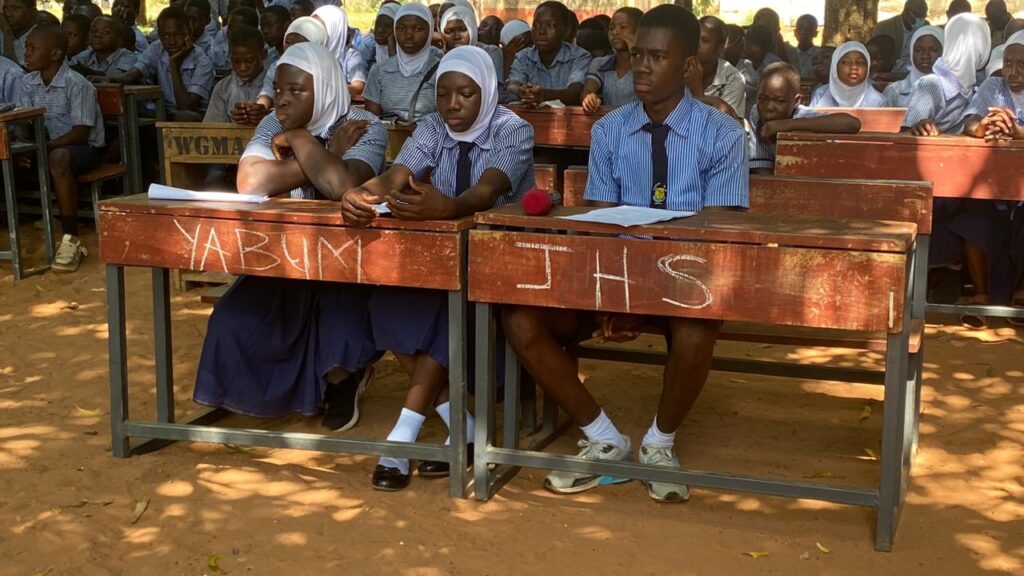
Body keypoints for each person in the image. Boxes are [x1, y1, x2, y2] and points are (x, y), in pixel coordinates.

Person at [503, 4, 747, 502]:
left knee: (698, 326)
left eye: (657, 57)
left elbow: (715, 234)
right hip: (614, 276)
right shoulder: (610, 129)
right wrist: (613, 293)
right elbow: (601, 224)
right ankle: (604, 438)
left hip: (687, 280)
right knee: (520, 317)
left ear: (687, 66)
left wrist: (645, 291)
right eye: (638, 55)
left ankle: (659, 443)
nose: (641, 67)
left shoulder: (721, 133)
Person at [341, 45, 534, 491]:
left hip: (499, 263)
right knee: (383, 302)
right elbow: (395, 176)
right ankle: (462, 425)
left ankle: (402, 436)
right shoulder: (432, 127)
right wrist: (360, 195)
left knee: (442, 312)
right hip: (439, 261)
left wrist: (449, 207)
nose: (452, 104)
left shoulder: (513, 129)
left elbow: (485, 192)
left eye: (466, 94)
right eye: (443, 94)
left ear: (486, 91)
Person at [196, 42, 385, 435]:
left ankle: (344, 378)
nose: (282, 100)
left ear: (326, 88)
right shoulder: (273, 122)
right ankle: (267, 389)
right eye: (280, 89)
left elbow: (342, 185)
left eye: (297, 91)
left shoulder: (364, 124)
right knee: (232, 319)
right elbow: (251, 181)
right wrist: (321, 150)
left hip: (347, 261)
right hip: (282, 256)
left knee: (340, 323)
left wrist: (299, 141)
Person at [903, 13, 991, 286]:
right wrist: (920, 127)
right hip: (931, 185)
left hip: (959, 182)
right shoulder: (932, 84)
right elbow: (906, 135)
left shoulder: (973, 87)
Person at [15, 24, 104, 272]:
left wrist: (41, 148)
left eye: (33, 48)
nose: (26, 53)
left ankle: (71, 238)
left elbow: (80, 133)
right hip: (46, 148)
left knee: (58, 157)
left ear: (55, 54)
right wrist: (23, 145)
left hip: (81, 150)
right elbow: (22, 122)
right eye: (26, 47)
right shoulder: (27, 82)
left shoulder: (77, 84)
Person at [951, 31, 1024, 327]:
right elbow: (970, 121)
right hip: (992, 183)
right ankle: (981, 295)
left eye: (1022, 65)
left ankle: (1021, 292)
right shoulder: (993, 86)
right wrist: (982, 127)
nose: (1013, 72)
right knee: (975, 217)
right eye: (1008, 63)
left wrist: (1016, 132)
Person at [749, 63, 861, 175]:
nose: (769, 107)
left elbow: (852, 123)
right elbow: (760, 164)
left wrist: (788, 124)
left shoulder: (801, 115)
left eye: (780, 101)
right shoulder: (756, 114)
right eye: (762, 99)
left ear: (796, 101)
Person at [110, 6, 215, 121]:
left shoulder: (202, 62)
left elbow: (186, 106)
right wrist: (106, 79)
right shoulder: (157, 48)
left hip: (198, 118)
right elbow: (130, 76)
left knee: (184, 116)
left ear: (188, 33)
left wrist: (174, 64)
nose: (171, 41)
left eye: (177, 35)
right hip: (165, 112)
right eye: (165, 36)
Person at [363, 3, 440, 121]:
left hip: (431, 133)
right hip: (387, 133)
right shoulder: (379, 71)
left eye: (418, 29)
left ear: (430, 31)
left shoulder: (442, 70)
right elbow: (372, 122)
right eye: (401, 29)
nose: (408, 35)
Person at [506, 0, 592, 106]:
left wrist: (543, 95)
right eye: (536, 25)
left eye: (551, 25)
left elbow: (574, 92)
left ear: (565, 30)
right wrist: (521, 91)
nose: (541, 31)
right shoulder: (524, 56)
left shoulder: (579, 56)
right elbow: (512, 85)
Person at [255, 16, 326, 113]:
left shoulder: (326, 69)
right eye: (288, 42)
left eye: (300, 45)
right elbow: (267, 93)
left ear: (315, 46)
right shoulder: (277, 66)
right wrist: (258, 108)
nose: (292, 48)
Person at [581, 7, 642, 113]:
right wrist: (589, 98)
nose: (615, 32)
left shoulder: (646, 64)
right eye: (611, 28)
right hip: (611, 122)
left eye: (623, 27)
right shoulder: (600, 64)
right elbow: (588, 90)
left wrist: (634, 51)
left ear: (639, 31)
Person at [204, 25, 266, 124]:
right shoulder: (223, 88)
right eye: (236, 61)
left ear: (264, 54)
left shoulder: (275, 84)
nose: (243, 68)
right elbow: (212, 127)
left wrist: (267, 116)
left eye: (250, 61)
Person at [690, 15, 745, 117]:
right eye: (695, 38)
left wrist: (698, 92)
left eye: (705, 41)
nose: (697, 45)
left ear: (719, 48)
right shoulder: (680, 67)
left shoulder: (733, 78)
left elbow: (725, 123)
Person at [809, 41, 887, 107]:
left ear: (868, 67)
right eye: (846, 62)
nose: (853, 67)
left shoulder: (879, 101)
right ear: (835, 65)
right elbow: (811, 119)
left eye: (860, 63)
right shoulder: (821, 93)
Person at [312, 5, 368, 97]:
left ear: (335, 29)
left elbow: (358, 88)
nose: (314, 31)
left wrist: (326, 89)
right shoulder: (310, 51)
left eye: (320, 27)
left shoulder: (351, 56)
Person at [885, 26, 944, 106]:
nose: (925, 55)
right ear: (911, 52)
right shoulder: (893, 92)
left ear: (945, 52)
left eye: (934, 50)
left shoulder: (954, 93)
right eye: (918, 50)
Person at [440, 5, 502, 78]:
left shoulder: (490, 53)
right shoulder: (438, 55)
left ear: (472, 29)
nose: (457, 37)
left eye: (463, 30)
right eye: (449, 31)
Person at [70, 15, 139, 79]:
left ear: (119, 41)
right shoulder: (84, 56)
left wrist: (85, 72)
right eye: (93, 31)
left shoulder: (127, 57)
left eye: (106, 32)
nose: (97, 35)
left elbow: (118, 78)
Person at [737, 24, 781, 116]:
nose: (753, 48)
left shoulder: (776, 66)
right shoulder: (739, 61)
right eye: (751, 43)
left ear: (768, 48)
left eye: (759, 45)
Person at [875, 0, 930, 73]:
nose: (921, 20)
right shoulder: (884, 27)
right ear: (906, 13)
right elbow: (876, 55)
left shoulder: (925, 26)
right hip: (890, 71)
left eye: (923, 17)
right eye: (918, 16)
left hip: (915, 70)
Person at [361, 2, 398, 71]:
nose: (380, 30)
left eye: (387, 26)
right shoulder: (369, 49)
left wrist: (392, 48)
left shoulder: (409, 58)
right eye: (378, 24)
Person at [1, 0, 37, 64]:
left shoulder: (41, 37)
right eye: (6, 9)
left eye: (16, 8)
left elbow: (12, 68)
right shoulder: (2, 34)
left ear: (32, 12)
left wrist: (7, 32)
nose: (8, 14)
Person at [787, 14, 820, 79]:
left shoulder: (820, 56)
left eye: (808, 29)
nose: (803, 32)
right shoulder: (787, 54)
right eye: (800, 29)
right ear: (795, 32)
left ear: (815, 33)